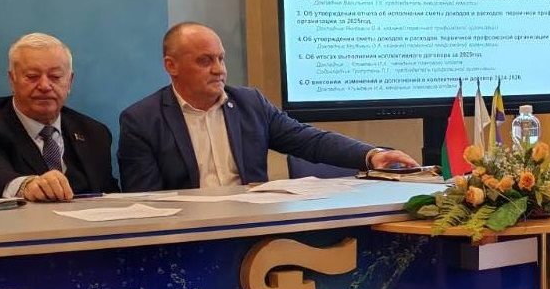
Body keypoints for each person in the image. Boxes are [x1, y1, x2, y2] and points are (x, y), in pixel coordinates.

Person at [117, 22, 418, 191]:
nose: (219, 69)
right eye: (205, 61)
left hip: (255, 229)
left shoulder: (250, 104)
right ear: (171, 66)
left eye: (221, 59)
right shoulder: (142, 120)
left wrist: (371, 155)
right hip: (188, 238)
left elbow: (308, 140)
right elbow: (147, 201)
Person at [0, 33, 118, 201]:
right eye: (32, 77)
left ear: (69, 81)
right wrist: (27, 185)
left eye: (55, 77)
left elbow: (111, 199)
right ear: (12, 80)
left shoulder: (95, 133)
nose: (44, 86)